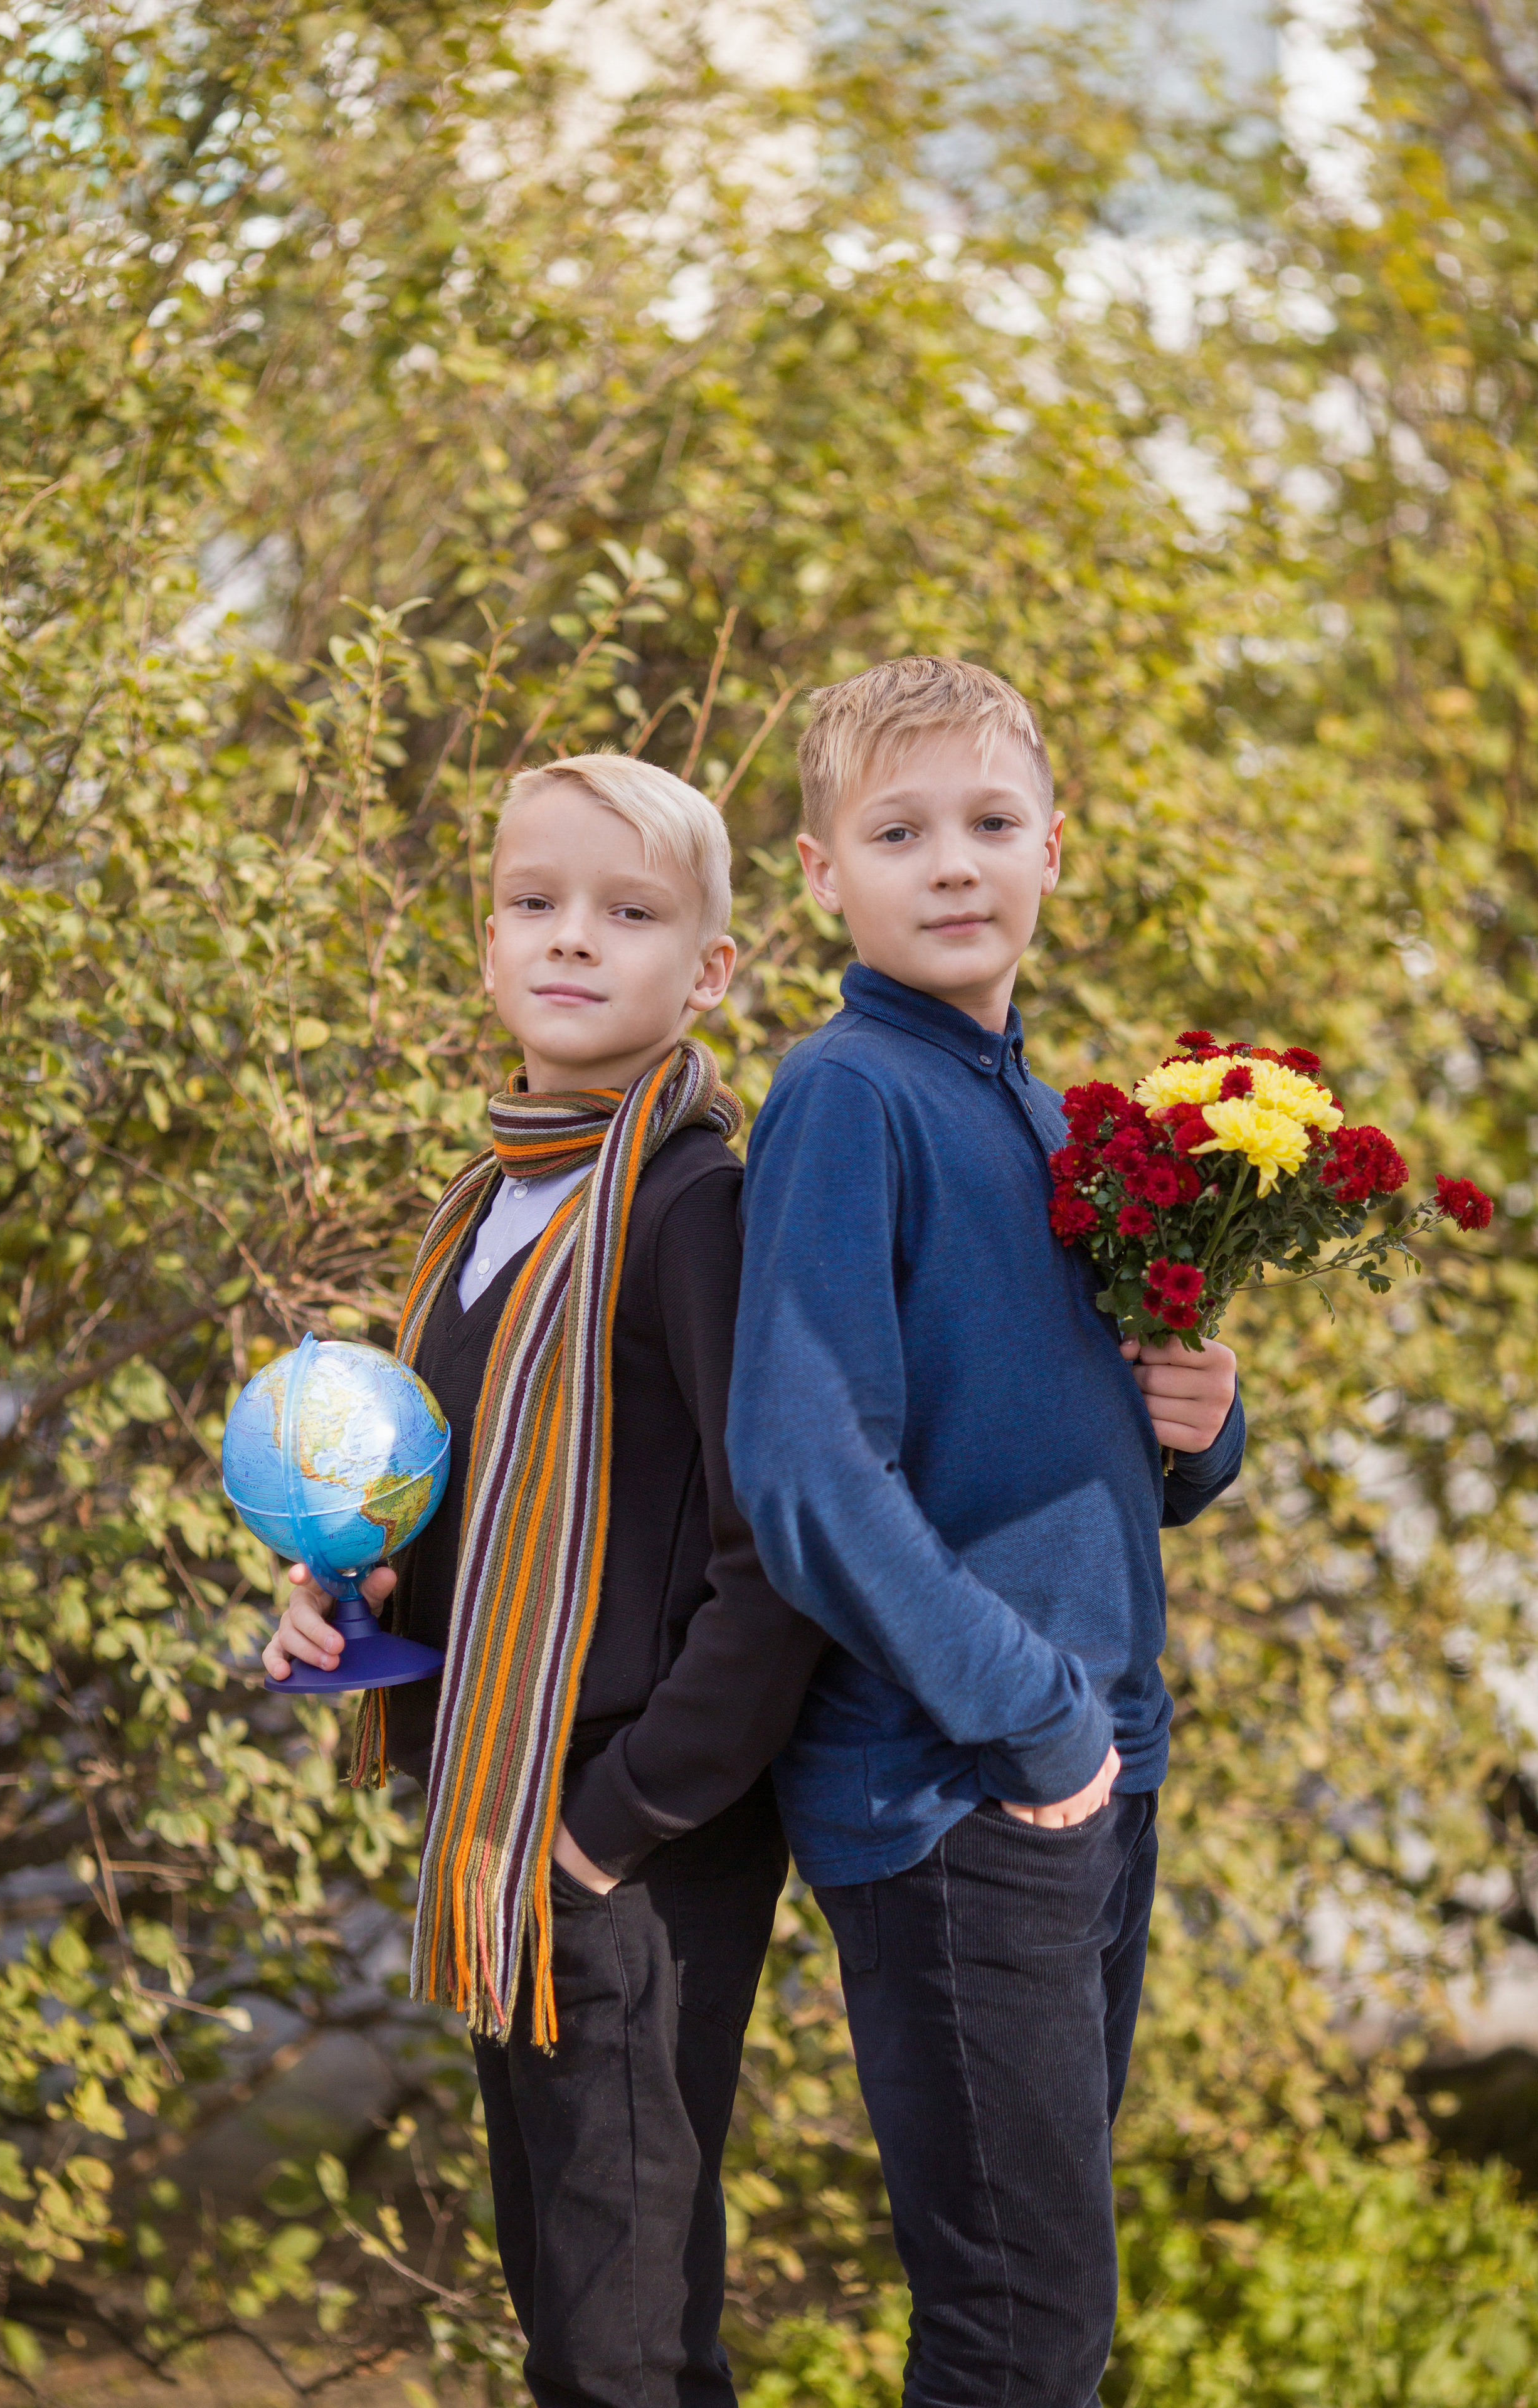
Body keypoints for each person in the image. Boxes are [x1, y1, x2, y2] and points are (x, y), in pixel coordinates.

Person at [263, 754, 825, 2408]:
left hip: (626, 1852)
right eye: (535, 902)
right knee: (571, 2324)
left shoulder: (693, 1204)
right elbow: (452, 1515)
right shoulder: (491, 1209)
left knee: (623, 2342)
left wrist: (612, 1826)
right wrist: (340, 1605)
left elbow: (771, 1565)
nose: (573, 939)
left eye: (629, 912)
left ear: (707, 968)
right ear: (489, 943)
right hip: (511, 1832)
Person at [726, 657, 1247, 2408]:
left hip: (1091, 1769)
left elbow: (1039, 1431)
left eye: (989, 824)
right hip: (958, 1789)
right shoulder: (847, 1096)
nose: (953, 864)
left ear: (1051, 848)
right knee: (1016, 2333)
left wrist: (1204, 1421)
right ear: (820, 874)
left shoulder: (1045, 1115)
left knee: (1050, 2323)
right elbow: (808, 1470)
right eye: (900, 832)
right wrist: (1032, 1723)